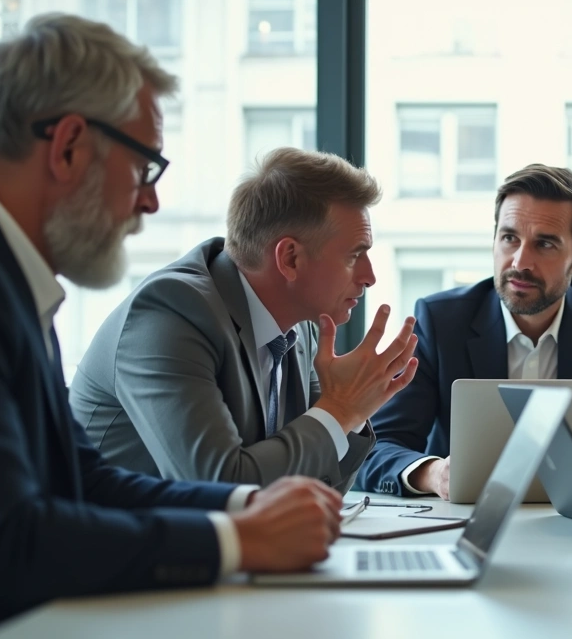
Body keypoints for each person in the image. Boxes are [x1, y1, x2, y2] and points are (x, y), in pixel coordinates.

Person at [0, 15, 343, 637]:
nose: (149, 201)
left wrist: (245, 505)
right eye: (144, 166)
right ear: (69, 146)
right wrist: (235, 540)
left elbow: (80, 479)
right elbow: (3, 544)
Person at [70, 147, 417, 489]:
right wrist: (340, 411)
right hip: (116, 540)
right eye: (355, 256)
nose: (370, 276)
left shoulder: (304, 324)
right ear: (290, 259)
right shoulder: (170, 313)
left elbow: (317, 486)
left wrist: (350, 414)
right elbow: (219, 487)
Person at [357, 164, 572, 498]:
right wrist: (435, 475)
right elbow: (379, 447)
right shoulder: (441, 320)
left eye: (545, 244)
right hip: (465, 520)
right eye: (509, 238)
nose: (521, 262)